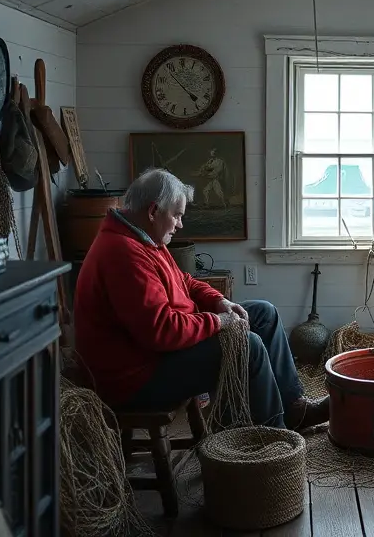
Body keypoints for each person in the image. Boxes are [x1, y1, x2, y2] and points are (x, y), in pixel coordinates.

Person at [74, 167, 328, 430]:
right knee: (247, 345)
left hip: (155, 355)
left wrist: (220, 302)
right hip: (135, 378)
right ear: (153, 212)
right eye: (177, 216)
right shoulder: (124, 254)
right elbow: (162, 330)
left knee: (264, 313)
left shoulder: (144, 238)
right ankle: (276, 436)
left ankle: (294, 409)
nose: (180, 224)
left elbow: (184, 281)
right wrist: (218, 322)